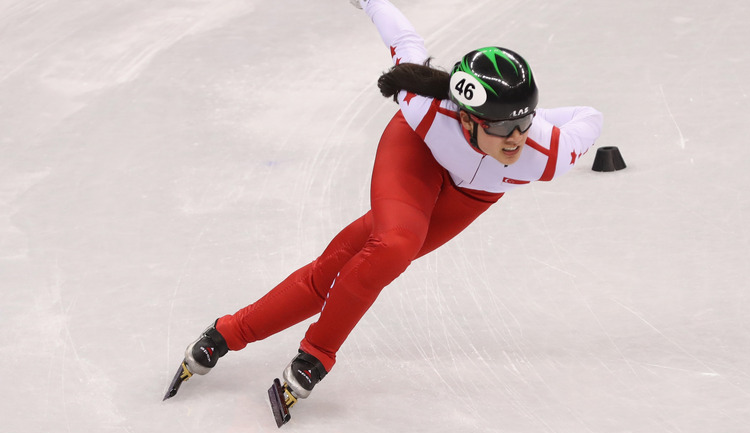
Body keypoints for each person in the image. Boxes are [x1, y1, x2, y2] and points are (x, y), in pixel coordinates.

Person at [178, 0, 603, 406]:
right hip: (416, 152)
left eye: (523, 123)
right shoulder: (427, 109)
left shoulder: (546, 154)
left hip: (472, 195)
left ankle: (226, 332)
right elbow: (405, 41)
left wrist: (532, 117)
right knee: (396, 244)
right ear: (469, 117)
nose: (515, 139)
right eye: (502, 126)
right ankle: (317, 355)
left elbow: (591, 116)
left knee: (334, 273)